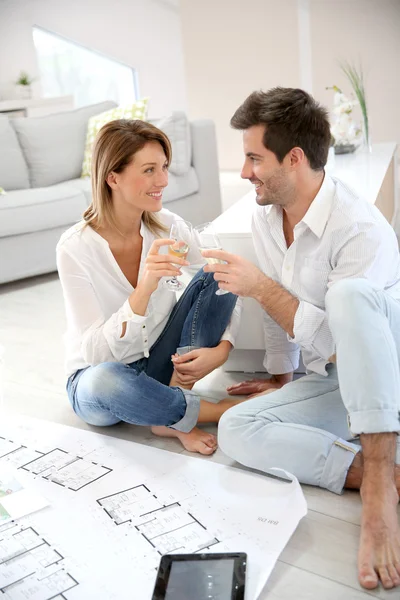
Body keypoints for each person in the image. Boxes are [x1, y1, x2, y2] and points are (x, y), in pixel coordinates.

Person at [201, 88, 400, 590]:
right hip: (337, 381)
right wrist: (281, 379)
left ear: (294, 159)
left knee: (349, 296)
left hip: (387, 370)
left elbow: (344, 342)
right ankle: (376, 472)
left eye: (253, 158)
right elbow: (278, 313)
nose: (245, 172)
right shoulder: (266, 217)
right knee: (236, 430)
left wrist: (261, 288)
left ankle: (379, 484)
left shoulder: (359, 229)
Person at [57, 119, 242, 456]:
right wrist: (143, 290)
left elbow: (225, 281)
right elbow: (95, 355)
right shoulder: (75, 248)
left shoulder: (170, 227)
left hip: (163, 364)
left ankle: (169, 407)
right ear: (113, 177)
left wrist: (224, 347)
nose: (163, 181)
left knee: (220, 270)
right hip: (98, 383)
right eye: (149, 170)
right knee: (105, 380)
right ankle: (209, 411)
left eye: (164, 167)